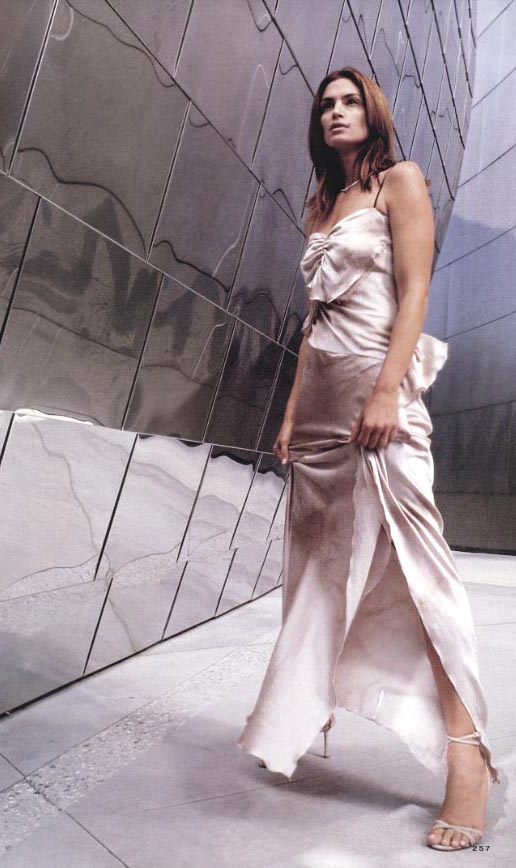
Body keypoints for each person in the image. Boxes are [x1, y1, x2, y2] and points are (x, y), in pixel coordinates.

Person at [236, 67, 500, 852]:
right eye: (327, 104)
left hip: (379, 409)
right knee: (316, 571)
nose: (337, 112)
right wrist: (291, 413)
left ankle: (468, 762)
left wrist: (387, 393)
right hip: (319, 419)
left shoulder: (400, 182)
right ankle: (302, 707)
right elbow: (314, 323)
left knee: (421, 577)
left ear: (373, 112)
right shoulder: (321, 204)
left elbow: (414, 293)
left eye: (350, 101)